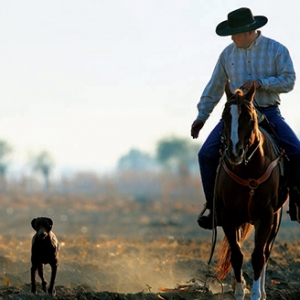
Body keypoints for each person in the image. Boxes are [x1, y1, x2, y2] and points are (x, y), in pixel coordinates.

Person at [191, 7, 300, 229]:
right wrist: (201, 117)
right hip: (235, 115)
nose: (232, 37)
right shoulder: (227, 54)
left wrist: (262, 83)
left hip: (268, 112)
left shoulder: (276, 50)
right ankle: (215, 206)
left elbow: (289, 81)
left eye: (236, 33)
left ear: (250, 31)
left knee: (297, 151)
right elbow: (214, 87)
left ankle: (297, 198)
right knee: (206, 154)